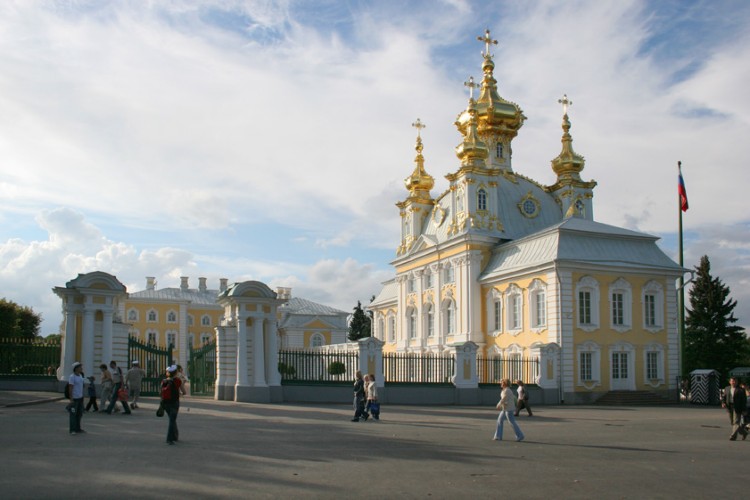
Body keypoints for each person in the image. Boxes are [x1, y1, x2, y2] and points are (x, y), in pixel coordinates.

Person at [721, 376, 748, 441]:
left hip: (738, 408)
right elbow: (724, 397)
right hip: (729, 407)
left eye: (735, 381)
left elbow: (744, 401)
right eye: (732, 381)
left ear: (737, 382)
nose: (734, 382)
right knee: (732, 423)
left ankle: (733, 436)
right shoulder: (727, 388)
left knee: (736, 422)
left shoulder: (741, 390)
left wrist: (744, 410)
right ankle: (744, 433)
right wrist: (723, 403)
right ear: (730, 382)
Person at [161, 365, 182, 445]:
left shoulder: (164, 381)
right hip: (174, 402)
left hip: (165, 403)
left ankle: (175, 435)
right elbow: (184, 391)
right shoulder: (177, 380)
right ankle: (169, 439)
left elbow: (161, 392)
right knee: (172, 420)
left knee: (172, 419)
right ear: (176, 372)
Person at [68, 362, 86, 435]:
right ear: (76, 368)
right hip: (74, 398)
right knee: (73, 414)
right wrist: (71, 398)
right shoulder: (72, 377)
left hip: (80, 397)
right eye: (80, 367)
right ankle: (72, 429)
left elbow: (82, 385)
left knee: (79, 414)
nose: (81, 368)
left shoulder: (81, 375)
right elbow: (70, 388)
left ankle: (78, 428)